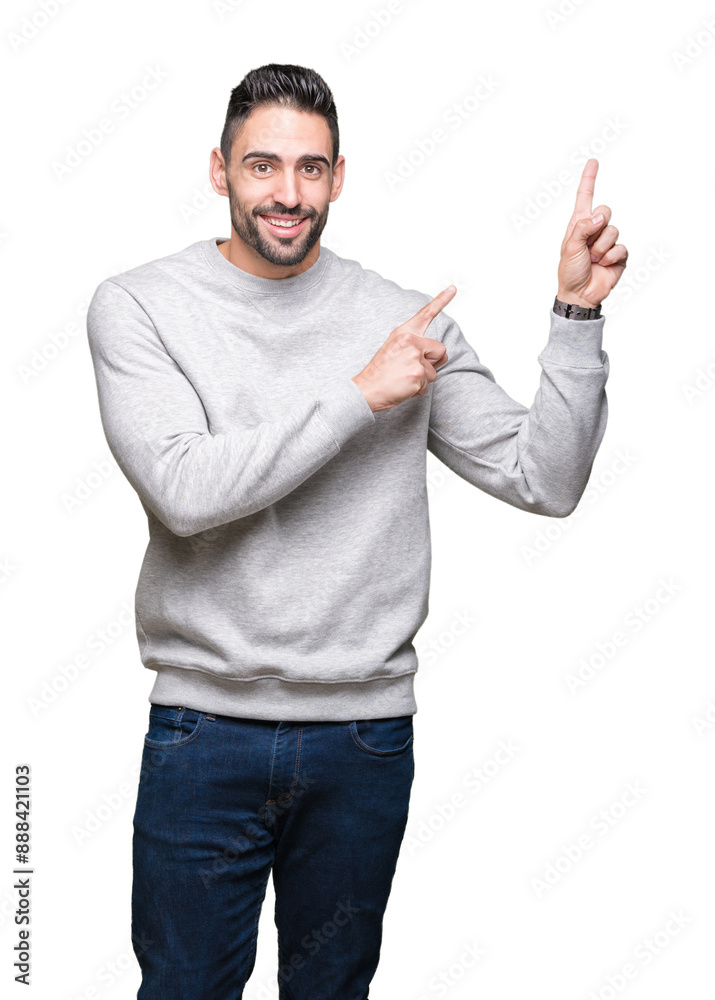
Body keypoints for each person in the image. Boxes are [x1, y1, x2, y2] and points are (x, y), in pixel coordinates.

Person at [85, 62, 627, 1000]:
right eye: (261, 167)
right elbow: (183, 488)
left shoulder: (401, 320)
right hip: (202, 731)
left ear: (339, 177)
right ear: (218, 171)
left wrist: (576, 314)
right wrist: (357, 396)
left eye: (309, 168)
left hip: (361, 739)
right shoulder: (140, 306)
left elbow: (544, 480)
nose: (286, 194)